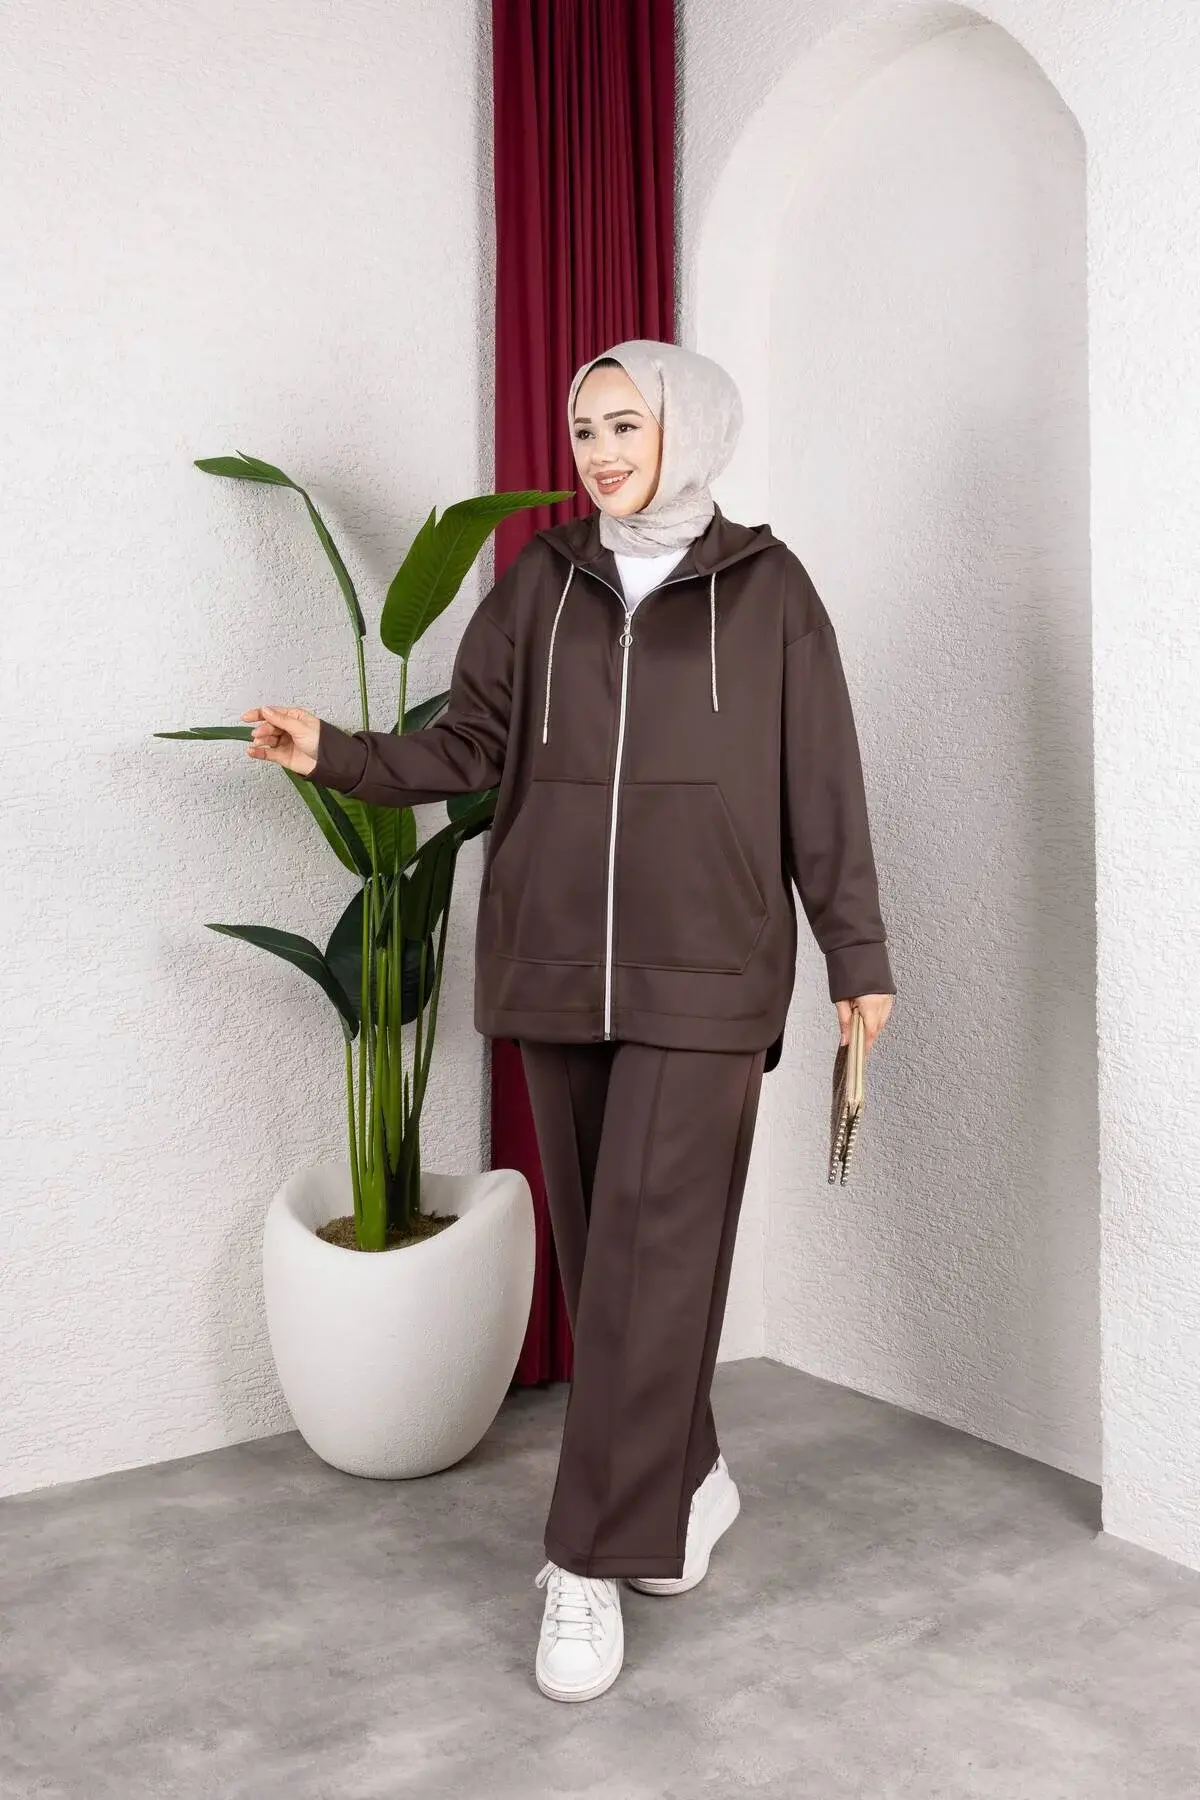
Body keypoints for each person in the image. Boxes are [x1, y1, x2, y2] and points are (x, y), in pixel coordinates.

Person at [242, 338, 896, 1705]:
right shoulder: (539, 582)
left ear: (685, 429)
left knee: (656, 1250)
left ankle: (585, 1560)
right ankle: (690, 1477)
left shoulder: (772, 591)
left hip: (710, 971)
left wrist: (858, 955)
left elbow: (822, 782)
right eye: (585, 429)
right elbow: (469, 747)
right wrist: (336, 755)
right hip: (554, 968)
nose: (599, 453)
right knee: (614, 1266)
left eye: (624, 426)